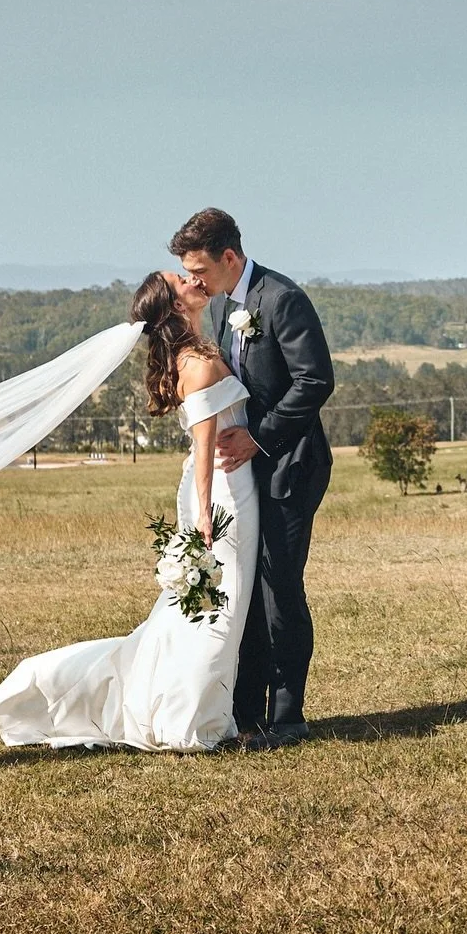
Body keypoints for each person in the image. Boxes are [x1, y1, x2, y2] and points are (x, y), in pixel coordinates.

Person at [0, 271, 259, 750]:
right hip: (226, 492)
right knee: (220, 609)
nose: (194, 278)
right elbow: (205, 444)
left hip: (229, 484)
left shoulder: (197, 350)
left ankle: (199, 706)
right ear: (174, 306)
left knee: (211, 608)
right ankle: (188, 719)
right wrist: (208, 514)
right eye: (182, 280)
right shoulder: (194, 363)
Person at [172, 207, 335, 747]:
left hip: (290, 465)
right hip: (240, 477)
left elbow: (315, 380)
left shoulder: (282, 298)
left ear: (230, 257)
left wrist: (259, 436)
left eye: (200, 270)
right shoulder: (220, 306)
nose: (194, 281)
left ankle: (288, 718)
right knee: (244, 585)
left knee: (279, 588)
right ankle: (246, 714)